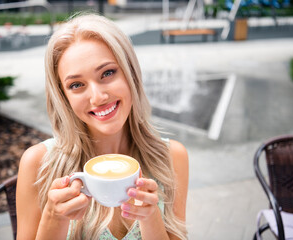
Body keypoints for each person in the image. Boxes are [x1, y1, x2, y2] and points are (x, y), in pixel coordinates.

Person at [16, 13, 189, 240]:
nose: (97, 97)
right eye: (76, 85)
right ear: (63, 96)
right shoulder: (39, 164)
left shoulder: (172, 157)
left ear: (131, 73)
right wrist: (53, 217)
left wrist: (151, 218)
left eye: (107, 73)